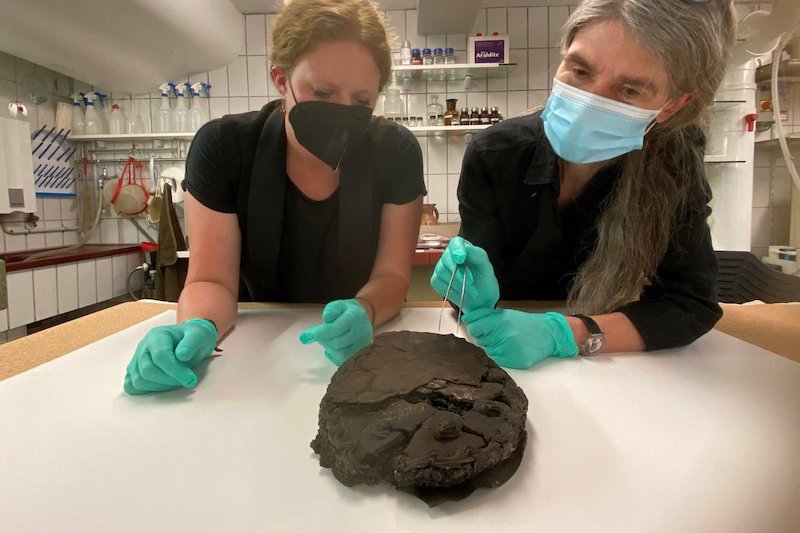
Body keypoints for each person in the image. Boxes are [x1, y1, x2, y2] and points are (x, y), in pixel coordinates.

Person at [124, 0, 425, 394]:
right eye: (323, 91)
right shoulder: (225, 148)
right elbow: (212, 280)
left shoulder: (395, 152)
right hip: (253, 359)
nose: (343, 111)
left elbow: (392, 276)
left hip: (362, 357)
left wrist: (365, 310)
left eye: (362, 101)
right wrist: (198, 326)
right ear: (281, 79)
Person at [432, 0, 735, 369]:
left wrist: (567, 334)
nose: (590, 102)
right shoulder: (496, 154)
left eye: (630, 90)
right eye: (580, 70)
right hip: (502, 359)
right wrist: (465, 290)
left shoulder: (674, 162)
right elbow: (473, 291)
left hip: (610, 368)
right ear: (563, 55)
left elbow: (690, 303)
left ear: (672, 105)